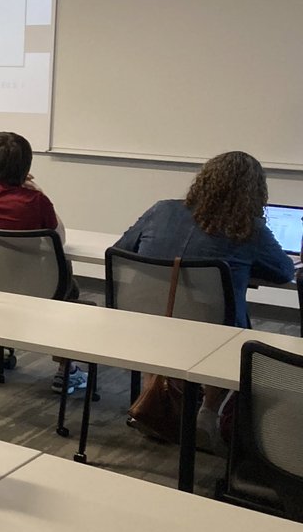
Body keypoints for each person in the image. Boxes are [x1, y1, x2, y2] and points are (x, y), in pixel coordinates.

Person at [114, 150, 294, 451]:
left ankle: (154, 401)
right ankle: (207, 414)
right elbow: (284, 271)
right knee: (233, 324)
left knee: (170, 315)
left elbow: (122, 249)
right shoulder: (249, 228)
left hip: (146, 319)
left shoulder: (162, 209)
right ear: (255, 192)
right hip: (214, 330)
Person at [0, 131, 81, 392]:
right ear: (26, 169)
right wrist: (39, 191)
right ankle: (66, 370)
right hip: (37, 291)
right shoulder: (36, 202)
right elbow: (60, 239)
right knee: (70, 285)